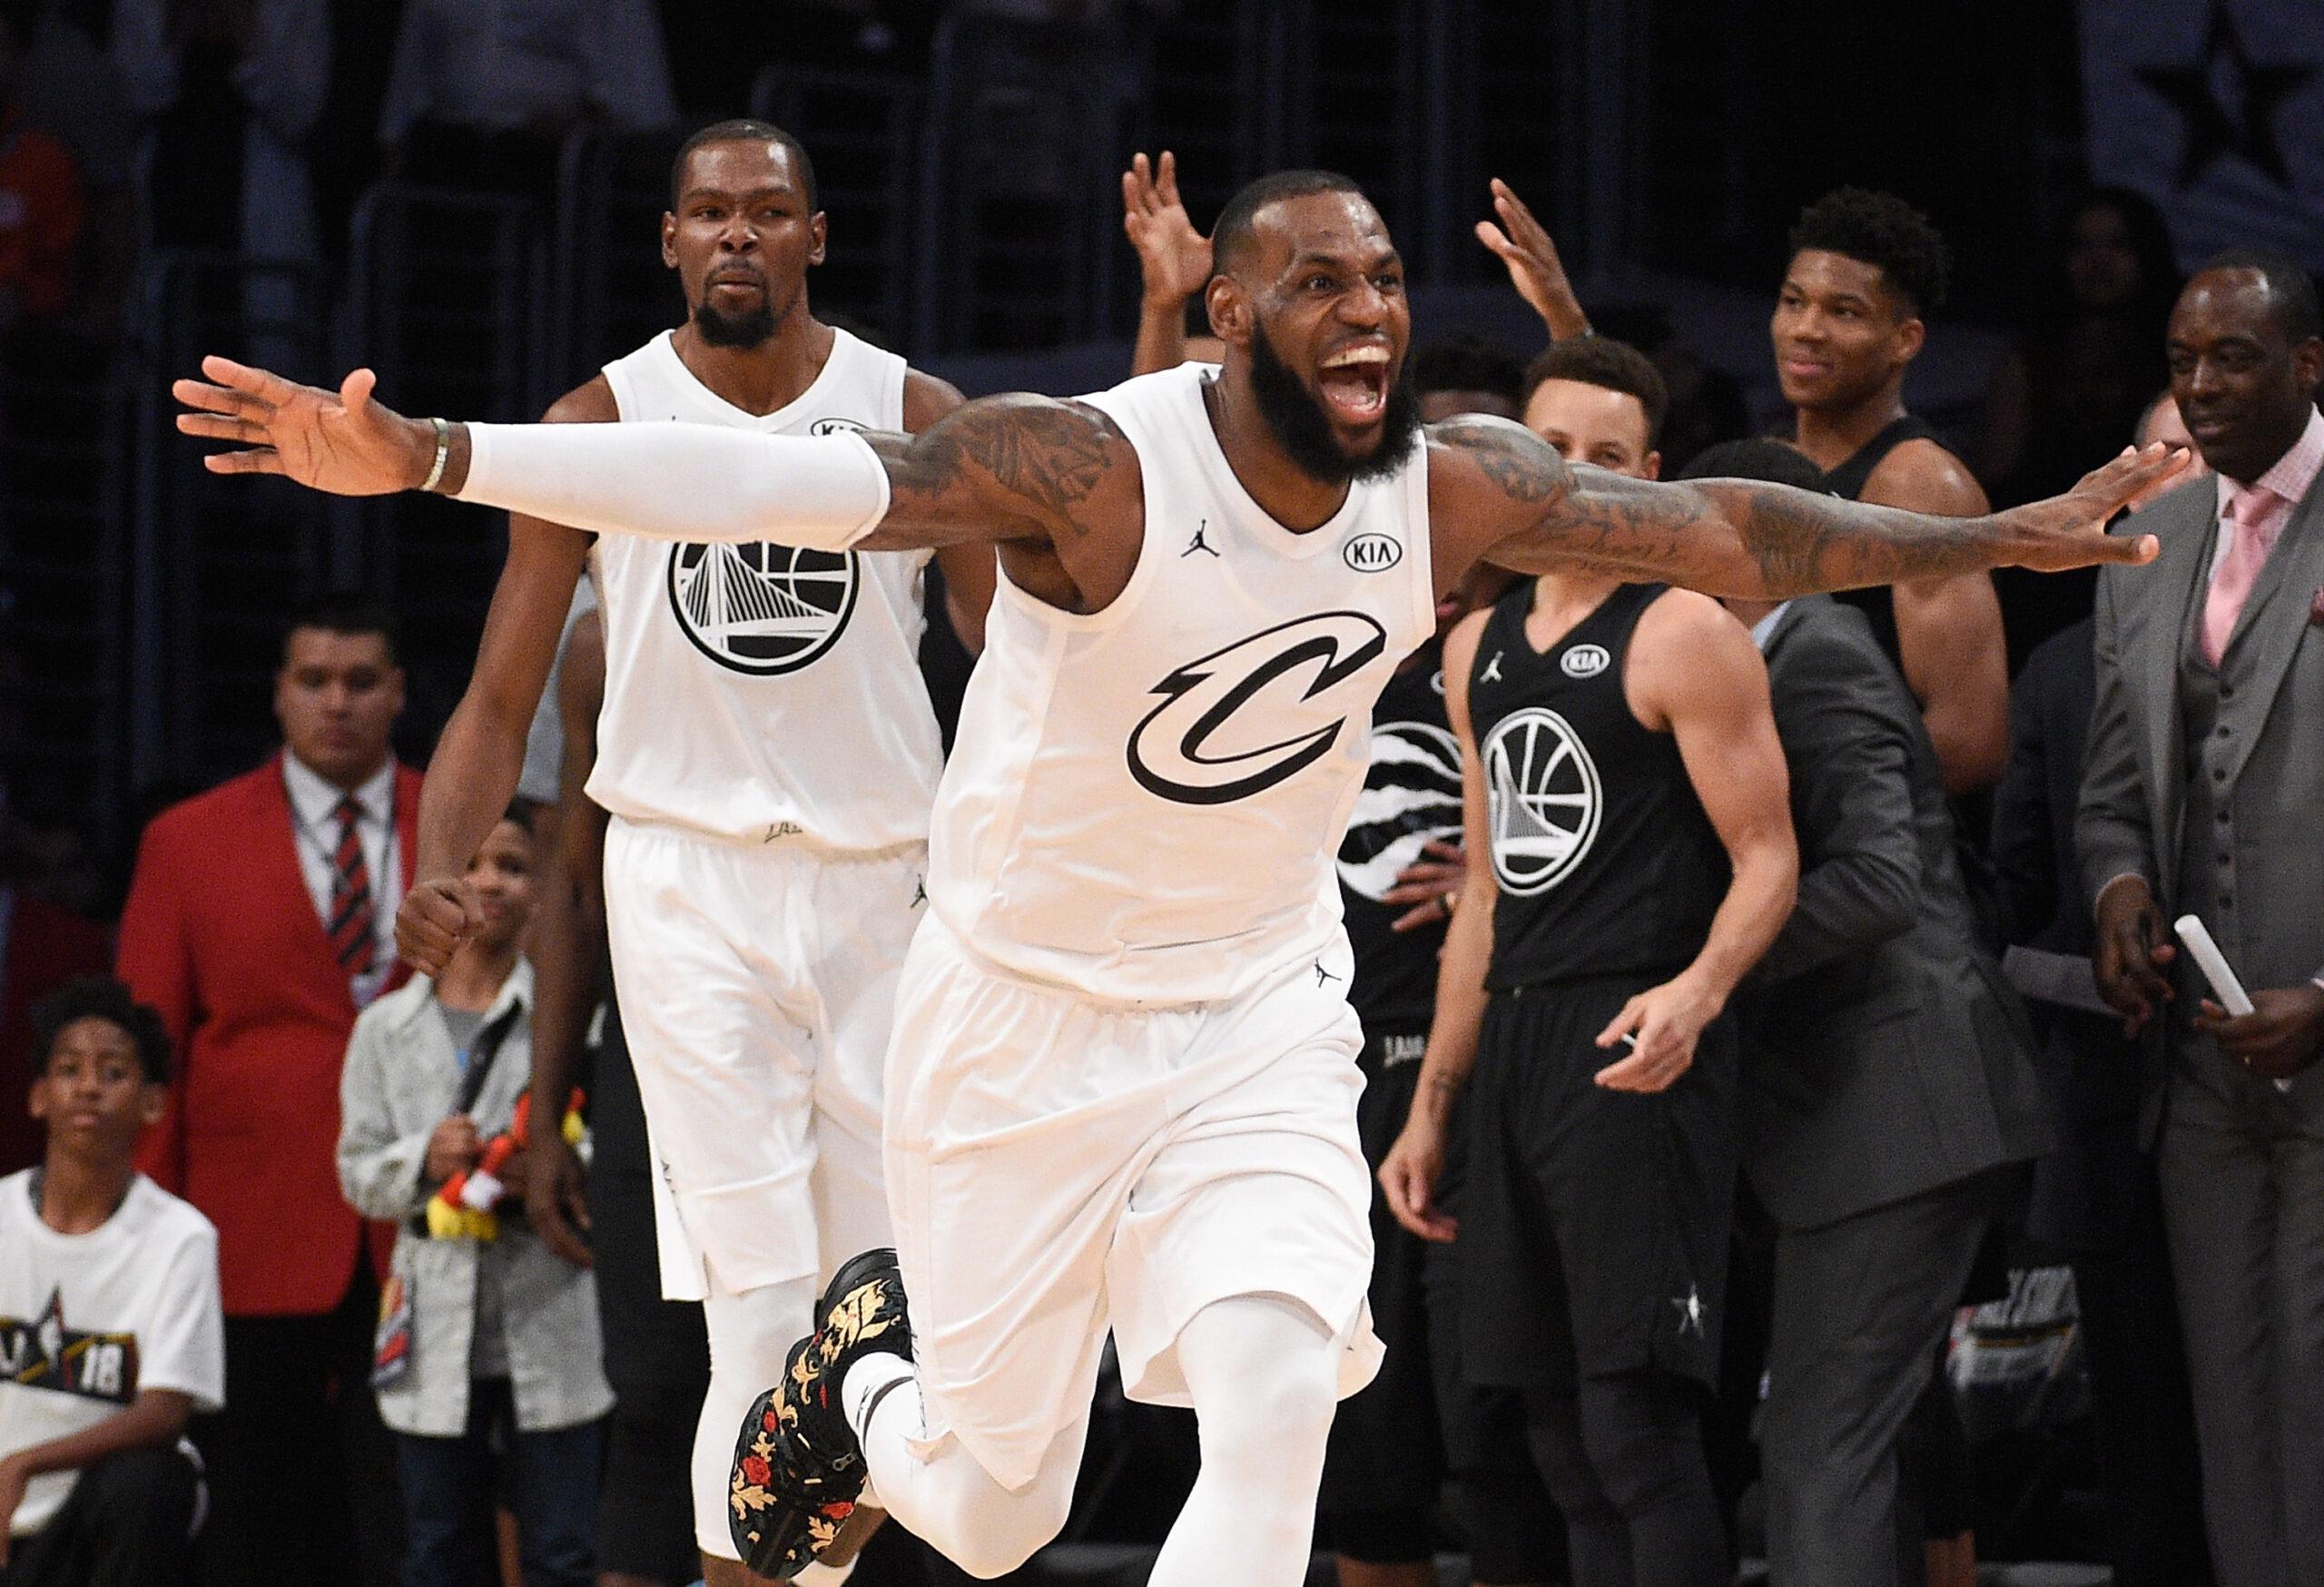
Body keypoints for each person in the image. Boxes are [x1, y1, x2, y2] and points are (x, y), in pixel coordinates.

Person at [173, 167, 2184, 1586]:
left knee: (1276, 1394)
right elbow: (754, 479)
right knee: (993, 1511)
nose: (1370, 310)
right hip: (1018, 1021)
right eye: (1317, 281)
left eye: (1385, 279)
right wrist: (437, 453)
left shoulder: (1451, 486)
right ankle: (859, 1387)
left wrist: (1996, 537)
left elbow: (1739, 531)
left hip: (1250, 1011)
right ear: (1226, 314)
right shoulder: (1093, 467)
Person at [385, 119, 991, 1587]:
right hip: (685, 884)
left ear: (814, 236)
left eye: (767, 210)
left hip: (883, 886)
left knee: (878, 1320)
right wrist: (445, 857)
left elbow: (1024, 661)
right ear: (668, 240)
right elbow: (500, 693)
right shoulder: (598, 422)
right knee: (760, 1314)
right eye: (709, 211)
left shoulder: (915, 412)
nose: (737, 233)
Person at [1380, 340, 1796, 1587]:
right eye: (1550, 447)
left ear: (1648, 476)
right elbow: (1486, 892)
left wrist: (1695, 994)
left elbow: (1770, 858)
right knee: (1551, 1441)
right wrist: (1434, 1104)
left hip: (1635, 1045)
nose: (1572, 472)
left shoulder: (1682, 632)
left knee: (1638, 1434)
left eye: (1604, 455)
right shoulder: (1477, 644)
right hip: (1515, 1049)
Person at [1686, 435, 2053, 1586]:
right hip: (1866, 1113)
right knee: (1857, 1444)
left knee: (1818, 1451)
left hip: (1896, 1107)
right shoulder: (1777, 657)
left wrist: (1703, 966)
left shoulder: (1819, 660)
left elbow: (1879, 882)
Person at [2079, 251, 2324, 1587]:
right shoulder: (2151, 540)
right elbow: (2113, 784)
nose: (2202, 385)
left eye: (2233, 356)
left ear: (2308, 365)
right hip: (2203, 1062)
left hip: (2317, 1029)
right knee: (2227, 1397)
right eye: (2182, 361)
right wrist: (2119, 893)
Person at [115, 594, 418, 1587]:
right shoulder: (186, 841)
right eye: (315, 680)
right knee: (254, 1511)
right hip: (246, 1227)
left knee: (413, 1512)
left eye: (361, 681)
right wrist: (145, 1235)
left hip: (430, 1222)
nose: (338, 702)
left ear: (398, 693)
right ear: (280, 692)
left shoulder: (461, 821)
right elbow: (146, 1060)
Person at [338, 806, 612, 1587]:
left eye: (514, 867)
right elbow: (356, 1172)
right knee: (438, 1548)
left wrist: (558, 1167)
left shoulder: (574, 1020)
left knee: (563, 1550)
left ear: (542, 890)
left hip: (550, 1307)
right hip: (432, 1321)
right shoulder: (384, 1029)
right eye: (472, 864)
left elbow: (616, 1145)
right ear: (435, 885)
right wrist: (421, 1157)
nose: (491, 882)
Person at [1771, 187, 2007, 795]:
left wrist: (1826, 816)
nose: (1806, 330)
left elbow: (1970, 736)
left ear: (1905, 339)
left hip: (1879, 842)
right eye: (1794, 302)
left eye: (1844, 312)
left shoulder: (1921, 487)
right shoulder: (1768, 463)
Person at [0, 977, 222, 1587]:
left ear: (152, 1103)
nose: (89, 1087)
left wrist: (25, 1464)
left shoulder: (180, 1236)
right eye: (68, 1069)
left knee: (148, 1482)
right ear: (39, 1096)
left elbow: (164, 1414)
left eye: (114, 1072)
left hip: (91, 1525)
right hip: (8, 1524)